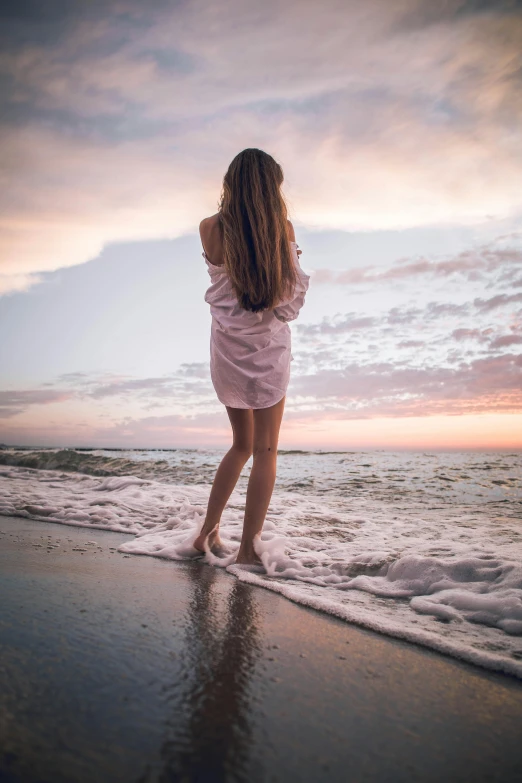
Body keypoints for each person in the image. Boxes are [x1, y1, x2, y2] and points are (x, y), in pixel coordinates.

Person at [193, 148, 310, 566]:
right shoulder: (281, 229)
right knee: (265, 451)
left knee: (240, 444)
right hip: (267, 354)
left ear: (233, 182)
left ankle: (205, 533)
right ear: (270, 188)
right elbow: (288, 305)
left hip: (227, 352)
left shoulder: (209, 228)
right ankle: (247, 550)